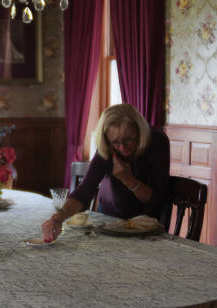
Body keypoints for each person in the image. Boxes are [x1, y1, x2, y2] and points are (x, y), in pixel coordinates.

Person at [41, 103, 169, 242]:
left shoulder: (156, 140)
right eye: (115, 142)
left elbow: (156, 198)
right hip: (109, 218)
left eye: (127, 140)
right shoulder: (107, 145)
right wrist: (57, 219)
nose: (122, 147)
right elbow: (85, 190)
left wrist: (128, 180)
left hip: (147, 223)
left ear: (139, 131)